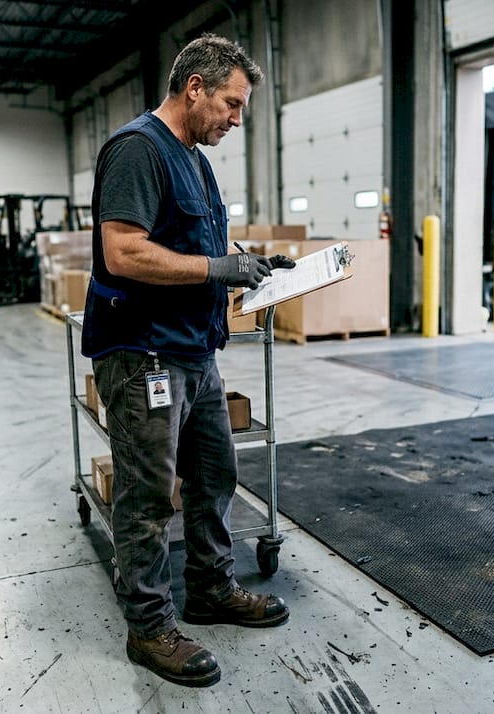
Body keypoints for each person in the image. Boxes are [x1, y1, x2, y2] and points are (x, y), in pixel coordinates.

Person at [80, 33, 295, 688]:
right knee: (148, 494)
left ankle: (210, 589)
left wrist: (250, 268)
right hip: (145, 355)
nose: (235, 119)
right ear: (194, 87)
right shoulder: (139, 150)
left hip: (193, 353)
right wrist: (215, 267)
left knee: (214, 474)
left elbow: (200, 245)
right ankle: (148, 627)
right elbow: (123, 253)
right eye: (231, 104)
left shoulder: (194, 160)